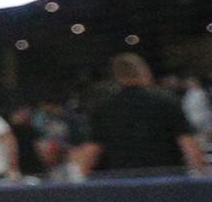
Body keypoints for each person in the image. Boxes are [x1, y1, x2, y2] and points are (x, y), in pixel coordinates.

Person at [71, 53, 203, 176]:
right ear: (144, 72)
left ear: (117, 76)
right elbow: (188, 145)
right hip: (165, 179)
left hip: (122, 182)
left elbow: (93, 150)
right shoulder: (166, 102)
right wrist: (201, 174)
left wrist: (83, 175)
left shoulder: (103, 108)